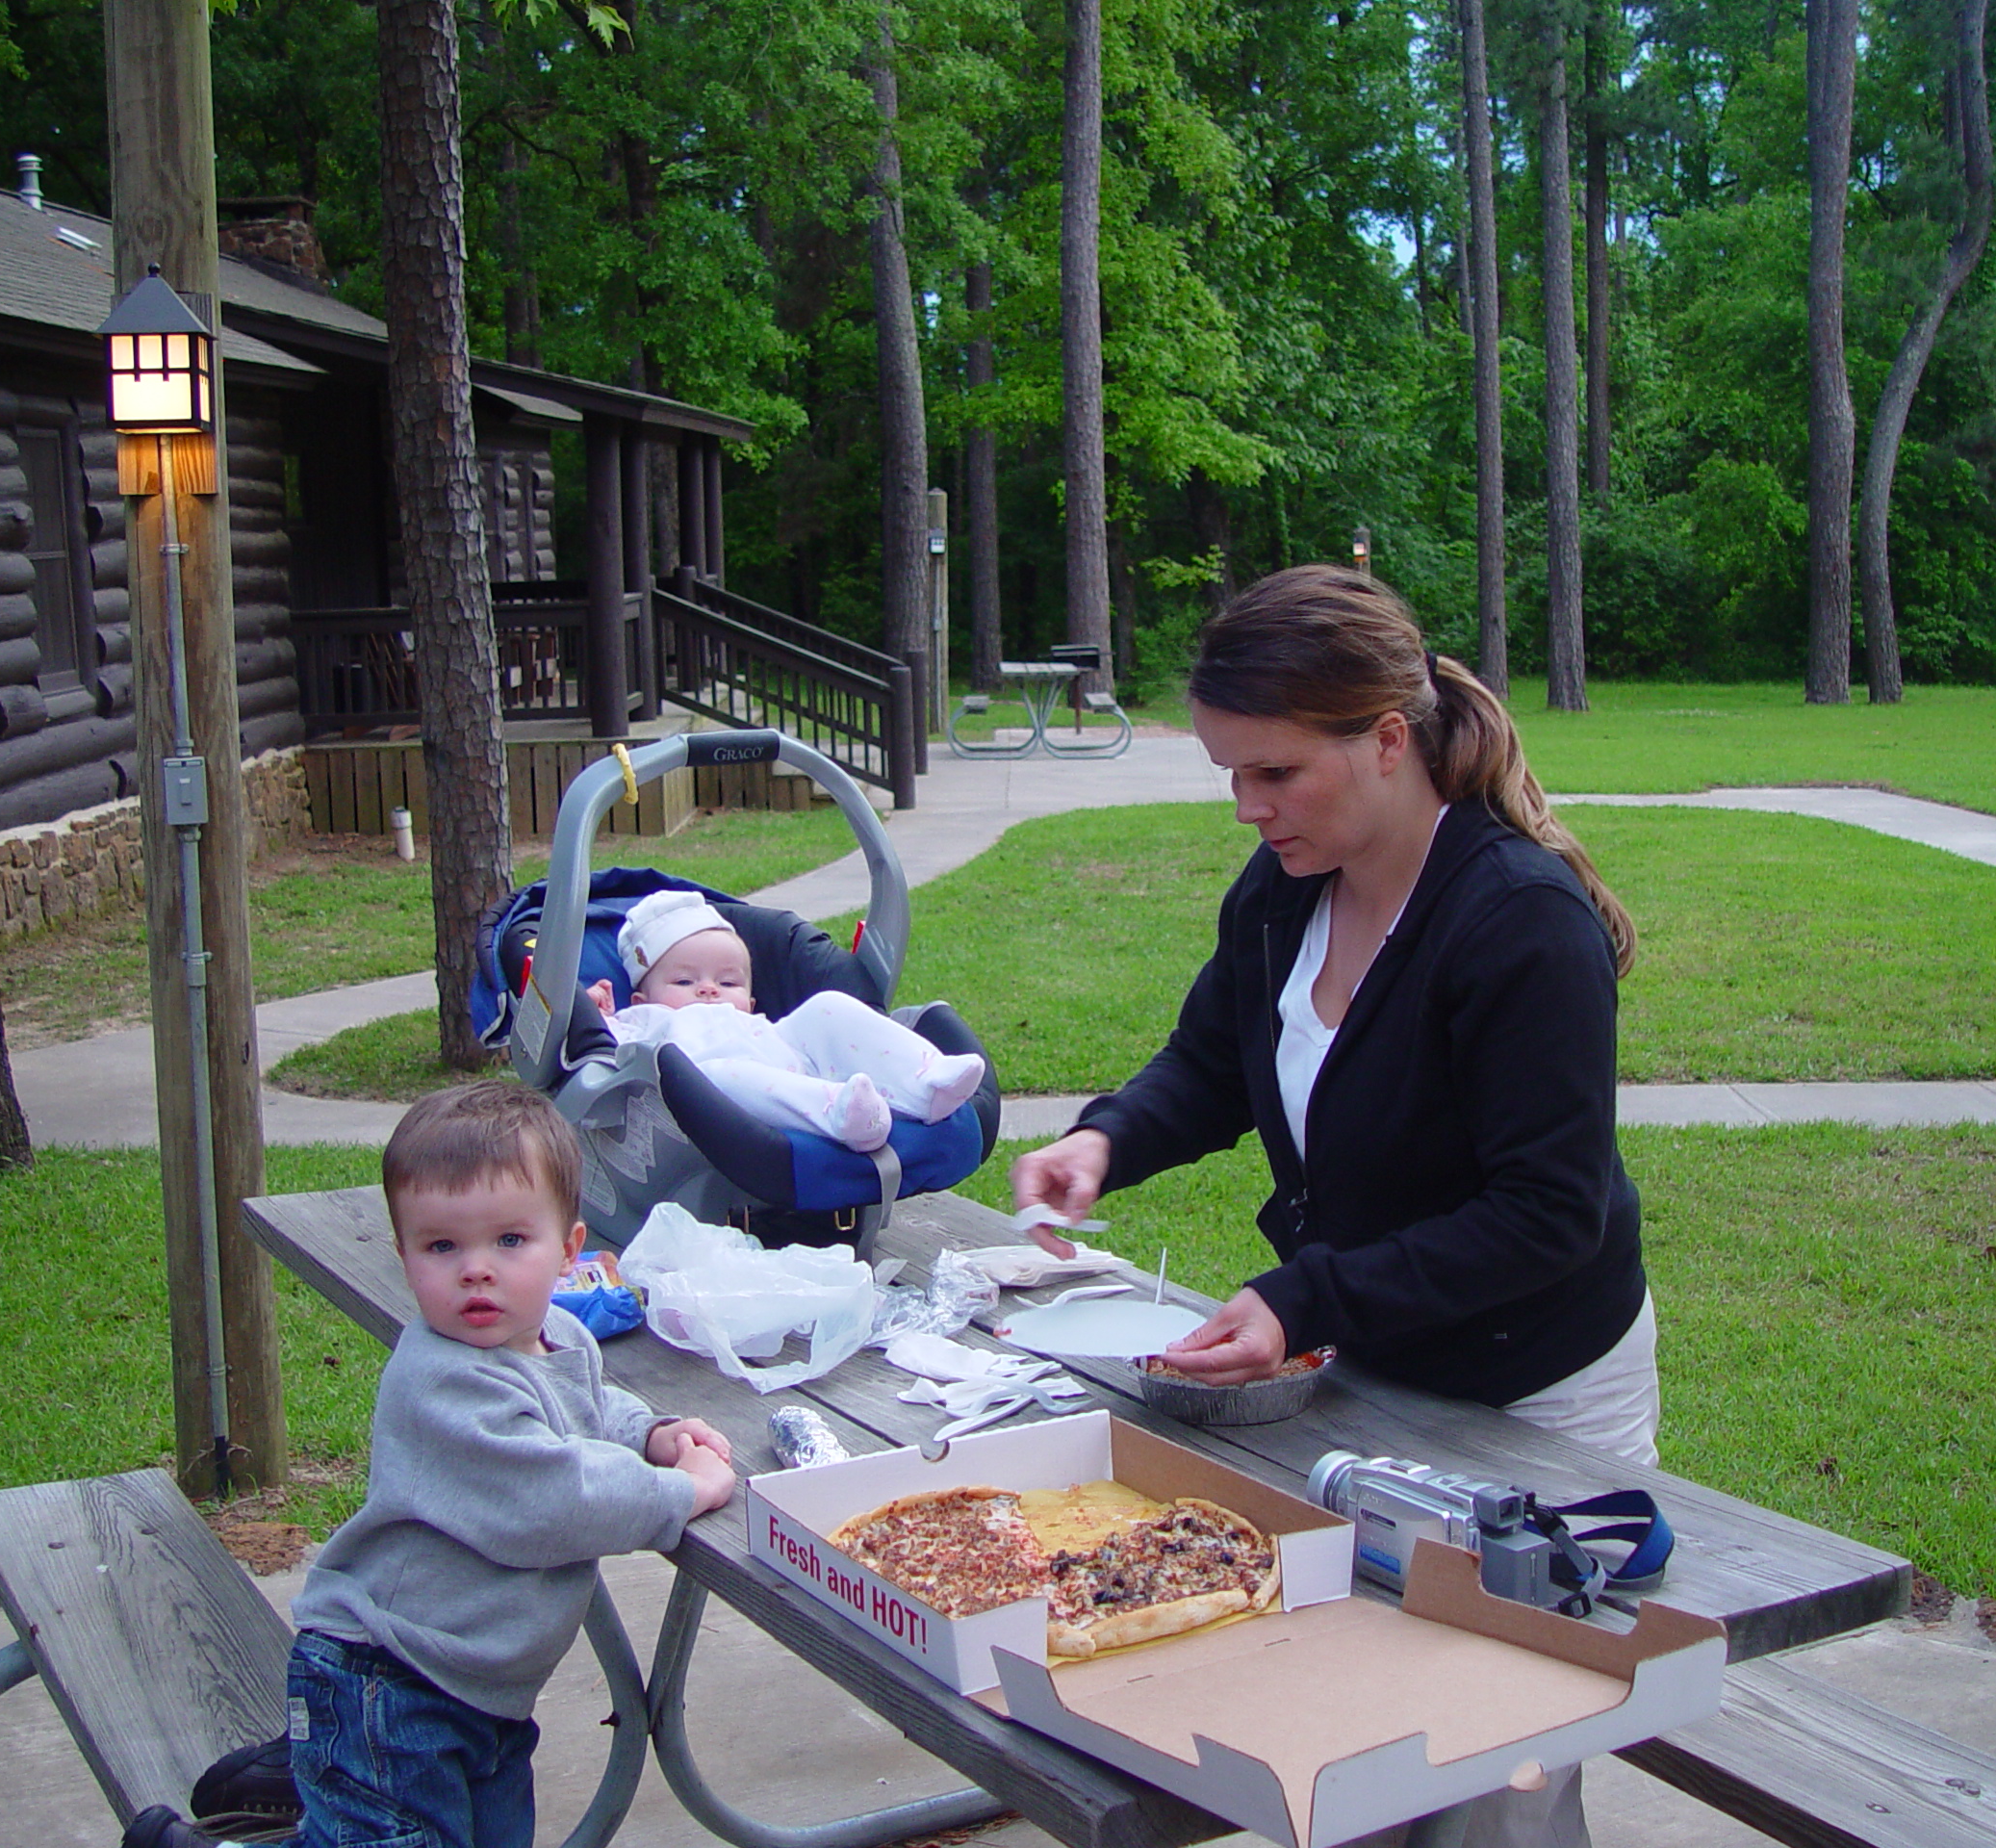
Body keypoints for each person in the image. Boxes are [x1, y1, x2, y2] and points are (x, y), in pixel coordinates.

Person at [1011, 565, 1651, 1848]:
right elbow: (1211, 1063)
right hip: (1377, 1370)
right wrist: (1105, 1140)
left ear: (1388, 741)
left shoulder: (1520, 924)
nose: (1249, 810)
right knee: (1359, 1737)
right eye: (1231, 777)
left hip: (1533, 1389)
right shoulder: (1285, 890)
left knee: (1494, 1763)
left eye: (1275, 774)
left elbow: (1547, 1214)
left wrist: (1304, 1296)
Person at [126, 1080, 737, 1848]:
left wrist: (653, 1432)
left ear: (572, 1249)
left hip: (482, 1690)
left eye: (510, 1241)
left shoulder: (559, 1339)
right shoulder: (441, 1380)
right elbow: (552, 1501)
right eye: (442, 1246)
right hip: (386, 1680)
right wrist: (679, 1490)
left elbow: (586, 1409)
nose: (476, 1269)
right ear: (406, 1254)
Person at [582, 887, 985, 1153]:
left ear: (752, 999)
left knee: (827, 1006)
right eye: (685, 980)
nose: (708, 989)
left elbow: (794, 1034)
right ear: (642, 996)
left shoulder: (761, 1025)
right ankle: (843, 1115)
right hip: (710, 1097)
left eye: (727, 981)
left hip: (789, 1061)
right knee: (720, 1075)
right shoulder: (644, 1019)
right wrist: (599, 1013)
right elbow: (604, 1056)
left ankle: (923, 1083)